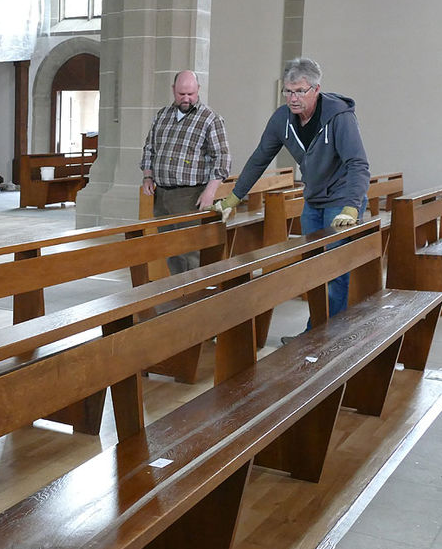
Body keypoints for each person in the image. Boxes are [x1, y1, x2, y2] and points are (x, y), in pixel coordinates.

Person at [214, 57, 369, 339]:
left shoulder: (339, 117)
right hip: (314, 199)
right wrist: (232, 199)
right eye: (288, 91)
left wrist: (351, 207)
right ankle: (315, 333)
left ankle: (325, 339)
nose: (293, 98)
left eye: (300, 91)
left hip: (342, 200)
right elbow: (259, 159)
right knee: (311, 268)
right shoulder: (282, 119)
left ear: (316, 89)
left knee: (334, 271)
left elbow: (358, 164)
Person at [140, 70, 231, 273]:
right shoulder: (162, 115)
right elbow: (149, 148)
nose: (186, 98)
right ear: (173, 90)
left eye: (190, 93)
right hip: (162, 193)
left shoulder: (210, 119)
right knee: (169, 247)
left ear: (198, 90)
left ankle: (192, 297)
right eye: (181, 94)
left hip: (189, 195)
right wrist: (148, 175)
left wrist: (210, 191)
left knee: (189, 250)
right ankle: (178, 294)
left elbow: (223, 159)